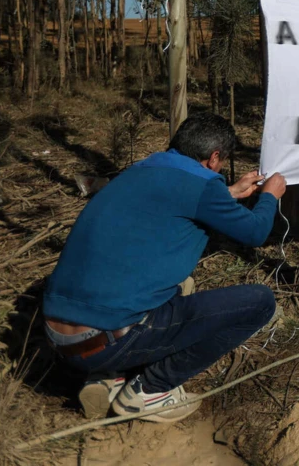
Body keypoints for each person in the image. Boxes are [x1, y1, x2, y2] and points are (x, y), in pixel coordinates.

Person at [43, 113, 286, 422]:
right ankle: (150, 390)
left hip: (60, 339)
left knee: (173, 287)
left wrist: (231, 192)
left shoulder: (142, 170)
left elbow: (180, 201)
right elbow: (255, 232)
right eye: (222, 161)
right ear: (214, 158)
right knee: (259, 303)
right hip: (108, 340)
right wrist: (269, 196)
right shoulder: (203, 185)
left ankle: (109, 376)